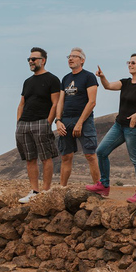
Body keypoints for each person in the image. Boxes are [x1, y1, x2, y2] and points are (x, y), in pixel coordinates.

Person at [86, 54, 136, 203]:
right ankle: (104, 185)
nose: (130, 65)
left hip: (135, 128)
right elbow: (108, 86)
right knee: (101, 151)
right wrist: (102, 77)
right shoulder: (125, 82)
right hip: (119, 126)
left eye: (133, 62)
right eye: (129, 62)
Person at [16, 47, 61, 204]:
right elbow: (22, 103)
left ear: (43, 60)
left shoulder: (52, 79)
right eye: (29, 59)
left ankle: (46, 191)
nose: (31, 61)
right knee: (30, 158)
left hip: (41, 121)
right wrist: (18, 121)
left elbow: (56, 103)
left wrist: (48, 122)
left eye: (33, 59)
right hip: (24, 124)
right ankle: (34, 191)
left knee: (46, 157)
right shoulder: (27, 82)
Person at [54, 48, 100, 186]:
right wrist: (58, 120)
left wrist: (80, 122)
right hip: (66, 120)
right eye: (69, 56)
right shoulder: (66, 78)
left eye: (74, 56)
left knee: (90, 155)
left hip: (84, 120)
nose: (70, 59)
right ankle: (62, 189)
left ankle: (99, 188)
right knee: (66, 156)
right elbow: (60, 101)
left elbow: (92, 102)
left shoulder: (89, 76)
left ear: (82, 60)